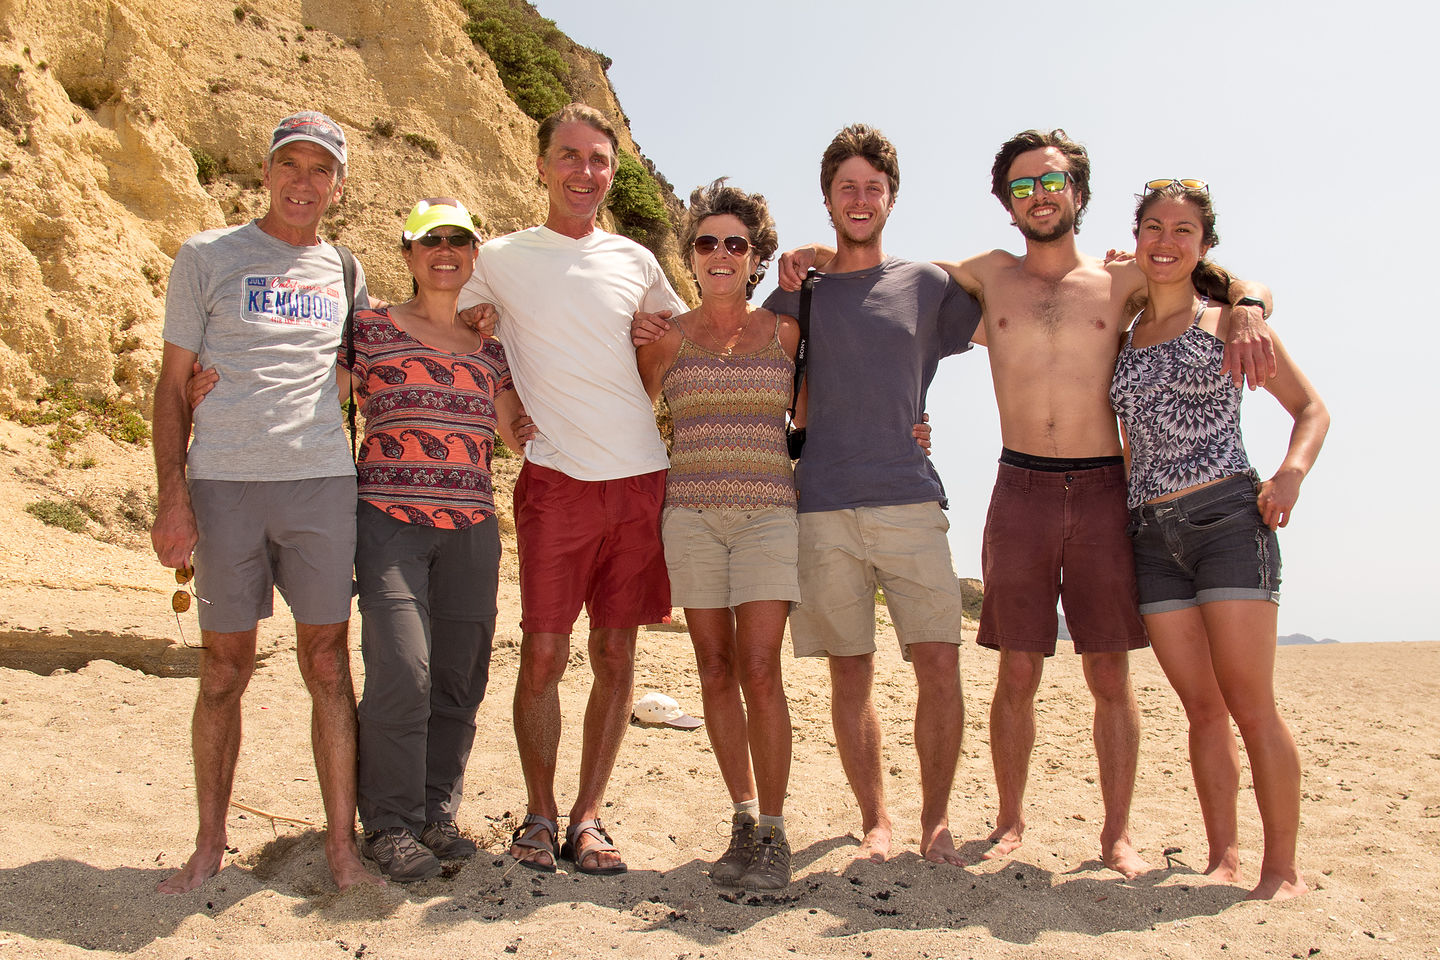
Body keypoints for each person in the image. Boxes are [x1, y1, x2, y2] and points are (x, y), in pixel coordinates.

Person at [778, 129, 1275, 878]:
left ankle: (1116, 835)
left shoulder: (1125, 280)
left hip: (1107, 487)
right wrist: (815, 252)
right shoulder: (982, 276)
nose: (1038, 196)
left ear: (1077, 190)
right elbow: (876, 277)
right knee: (1017, 670)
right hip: (1020, 488)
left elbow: (1207, 270)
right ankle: (1009, 820)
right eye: (1021, 186)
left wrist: (1247, 304)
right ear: (1003, 200)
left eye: (1051, 182)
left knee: (1109, 672)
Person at [455, 103, 688, 876]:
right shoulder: (501, 257)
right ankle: (538, 814)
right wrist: (503, 406)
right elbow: (457, 331)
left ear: (612, 172)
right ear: (541, 163)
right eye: (569, 156)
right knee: (544, 655)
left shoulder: (637, 262)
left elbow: (663, 372)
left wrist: (652, 352)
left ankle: (588, 816)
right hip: (555, 479)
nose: (584, 173)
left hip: (638, 477)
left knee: (616, 651)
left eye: (598, 160)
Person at [150, 111, 379, 893]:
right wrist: (171, 496)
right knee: (223, 669)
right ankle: (209, 843)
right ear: (267, 170)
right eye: (292, 165)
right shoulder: (207, 255)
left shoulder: (347, 272)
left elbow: (360, 370)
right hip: (223, 486)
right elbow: (171, 384)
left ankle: (341, 852)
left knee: (327, 665)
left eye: (321, 170)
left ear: (338, 187)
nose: (304, 182)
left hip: (321, 485)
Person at [758, 124, 981, 866]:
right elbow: (748, 358)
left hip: (909, 498)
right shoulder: (799, 290)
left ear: (892, 197)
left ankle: (937, 821)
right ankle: (876, 819)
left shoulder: (926, 285)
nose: (860, 199)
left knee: (938, 663)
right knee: (850, 669)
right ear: (827, 199)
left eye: (873, 188)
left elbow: (1019, 317)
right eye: (846, 187)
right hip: (820, 501)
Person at [1112, 180, 1327, 900]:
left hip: (1230, 522)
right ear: (1137, 237)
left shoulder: (1229, 325)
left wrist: (1292, 475)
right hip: (1150, 536)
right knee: (1201, 708)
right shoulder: (1125, 333)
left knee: (1249, 704)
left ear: (1204, 247)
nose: (1165, 241)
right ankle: (1223, 858)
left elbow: (1311, 410)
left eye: (1182, 230)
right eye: (1152, 227)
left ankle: (1283, 870)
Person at [342, 198, 526, 882]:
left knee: (458, 678)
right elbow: (319, 393)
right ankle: (387, 826)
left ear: (474, 256)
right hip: (388, 522)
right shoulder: (371, 330)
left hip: (472, 529)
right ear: (409, 253)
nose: (445, 249)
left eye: (459, 239)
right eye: (430, 240)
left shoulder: (492, 351)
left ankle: (434, 814)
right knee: (403, 670)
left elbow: (517, 432)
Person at [632, 180, 799, 889]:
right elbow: (628, 415)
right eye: (708, 242)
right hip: (691, 516)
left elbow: (831, 408)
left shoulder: (790, 333)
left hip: (770, 515)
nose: (721, 253)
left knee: (761, 670)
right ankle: (740, 816)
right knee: (712, 670)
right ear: (691, 255)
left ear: (756, 256)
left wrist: (912, 428)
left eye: (737, 242)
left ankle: (775, 831)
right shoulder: (666, 337)